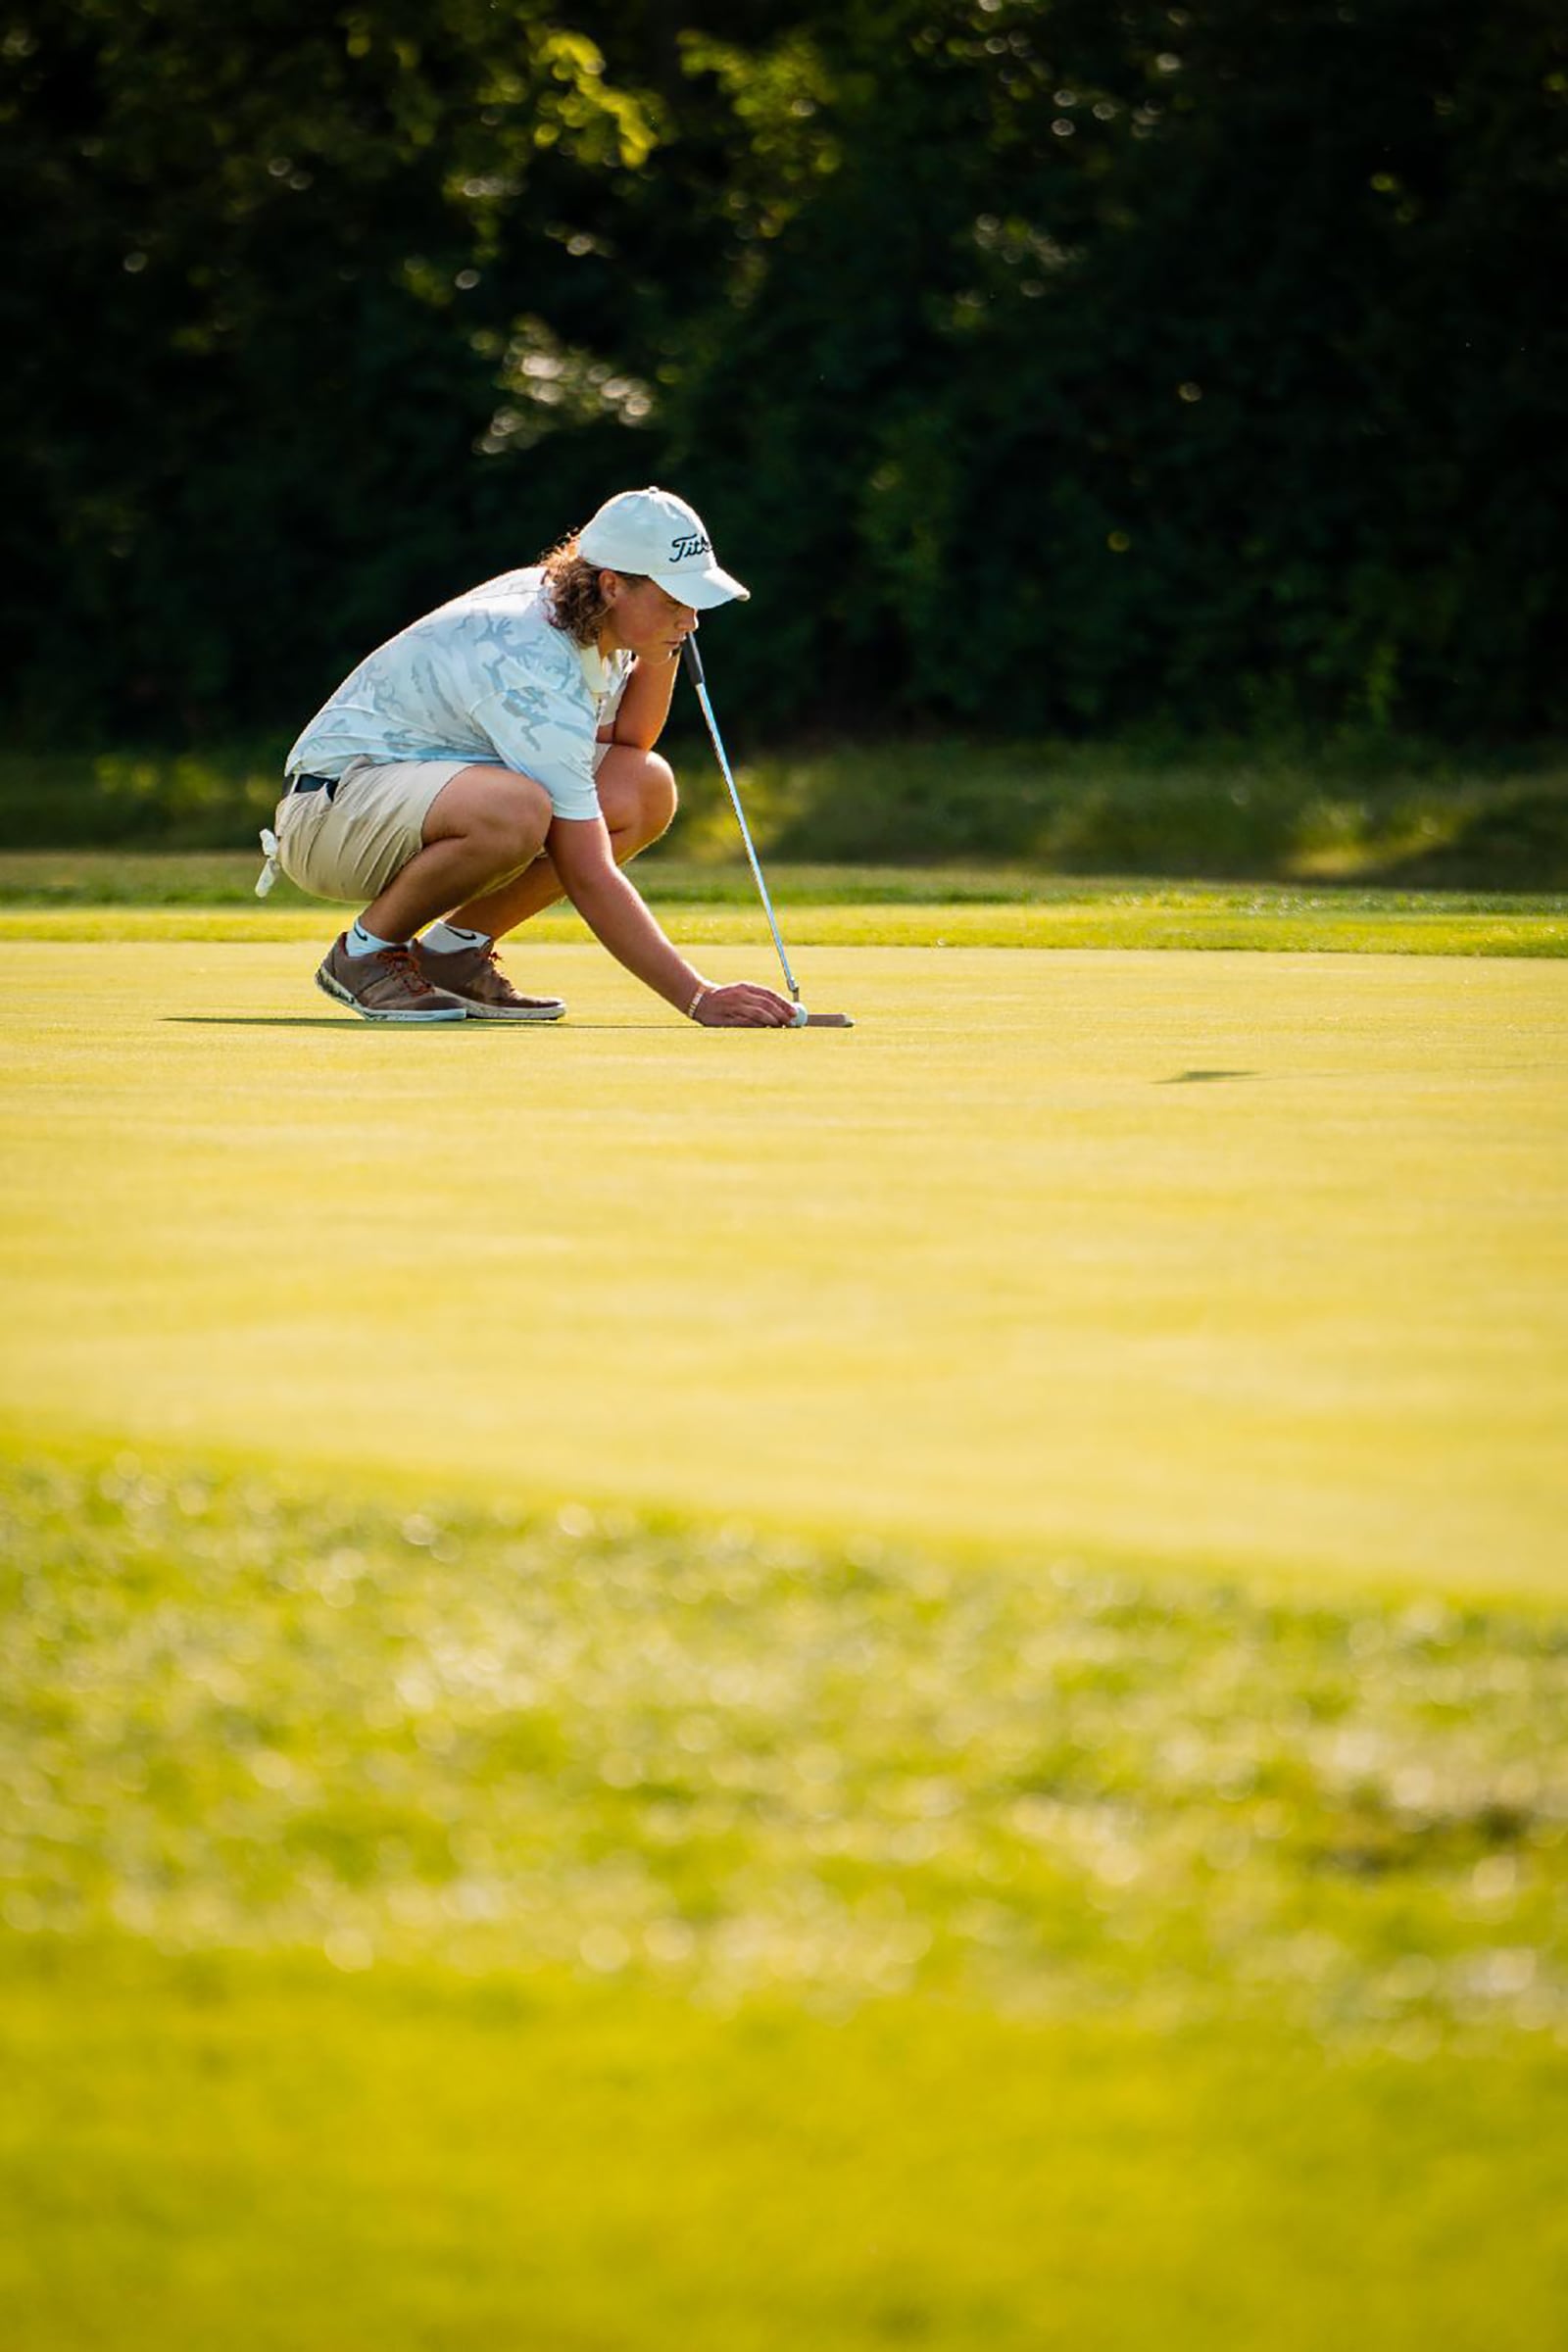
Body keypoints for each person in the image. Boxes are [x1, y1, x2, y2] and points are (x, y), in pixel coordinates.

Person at [261, 486, 798, 1027]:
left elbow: (629, 739)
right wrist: (698, 997)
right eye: (675, 600)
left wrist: (662, 647)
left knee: (643, 787)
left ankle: (453, 954)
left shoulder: (586, 617)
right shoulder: (529, 650)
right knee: (518, 808)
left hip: (403, 799)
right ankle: (364, 954)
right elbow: (588, 871)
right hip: (328, 815)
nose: (693, 619)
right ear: (612, 585)